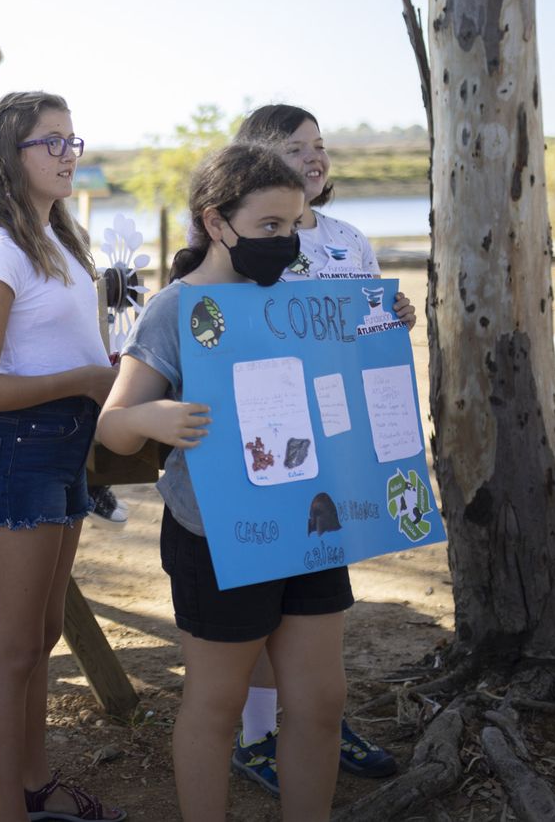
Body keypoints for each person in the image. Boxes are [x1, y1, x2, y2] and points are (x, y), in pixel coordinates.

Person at [97, 143, 348, 822]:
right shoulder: (175, 309)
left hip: (310, 527)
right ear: (216, 222)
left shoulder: (302, 300)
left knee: (322, 702)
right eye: (270, 226)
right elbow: (112, 426)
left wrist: (380, 328)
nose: (287, 241)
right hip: (216, 535)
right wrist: (153, 415)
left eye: (294, 225)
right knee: (215, 704)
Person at [226, 104, 416, 793]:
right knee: (263, 589)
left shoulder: (348, 237)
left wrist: (393, 318)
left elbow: (366, 335)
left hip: (336, 439)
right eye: (294, 145)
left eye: (319, 145)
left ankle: (317, 722)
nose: (315, 156)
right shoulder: (241, 234)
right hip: (265, 442)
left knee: (321, 591)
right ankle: (256, 735)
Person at [0, 92, 125, 822]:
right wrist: (85, 379)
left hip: (64, 447)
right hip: (19, 449)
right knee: (14, 645)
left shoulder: (63, 237)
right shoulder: (1, 249)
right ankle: (9, 812)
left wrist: (113, 366)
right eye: (49, 141)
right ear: (9, 155)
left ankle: (34, 788)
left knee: (44, 635)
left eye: (70, 139)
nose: (66, 153)